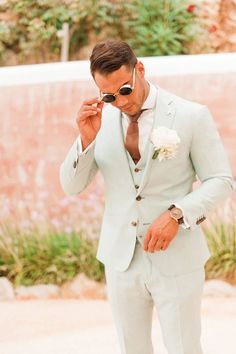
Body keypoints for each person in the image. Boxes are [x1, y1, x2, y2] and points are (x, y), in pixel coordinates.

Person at [60, 40, 233, 354]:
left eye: (125, 90)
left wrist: (177, 213)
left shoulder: (190, 115)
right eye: (109, 96)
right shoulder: (100, 122)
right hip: (121, 261)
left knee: (184, 348)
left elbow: (220, 180)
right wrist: (86, 141)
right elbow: (71, 186)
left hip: (177, 258)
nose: (120, 102)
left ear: (140, 69)